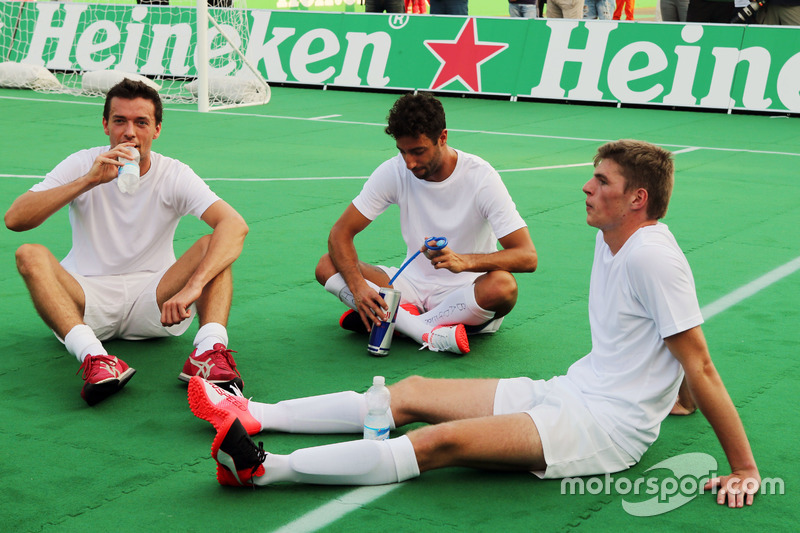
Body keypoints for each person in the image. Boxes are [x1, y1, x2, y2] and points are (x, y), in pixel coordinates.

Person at [188, 139, 760, 508]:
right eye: (592, 176)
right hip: (573, 390)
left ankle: (264, 471)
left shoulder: (651, 255)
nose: (587, 186)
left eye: (602, 181)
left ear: (637, 198)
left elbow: (698, 359)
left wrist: (744, 469)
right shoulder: (614, 240)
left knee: (438, 442)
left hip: (603, 429)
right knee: (409, 393)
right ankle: (251, 412)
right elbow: (666, 338)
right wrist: (671, 399)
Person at [4, 79, 249, 406]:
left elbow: (235, 225)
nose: (129, 131)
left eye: (141, 122)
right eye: (120, 121)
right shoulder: (83, 164)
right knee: (29, 254)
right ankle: (95, 358)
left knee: (212, 245)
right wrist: (88, 180)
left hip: (156, 301)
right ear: (106, 125)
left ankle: (208, 351)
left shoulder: (172, 173)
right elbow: (15, 219)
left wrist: (194, 286)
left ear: (157, 129)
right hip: (85, 298)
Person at [314, 92, 537, 356]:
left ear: (442, 137)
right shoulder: (394, 170)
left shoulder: (481, 177)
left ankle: (397, 322)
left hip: (465, 293)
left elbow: (527, 256)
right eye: (402, 151)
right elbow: (340, 233)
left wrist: (465, 262)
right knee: (327, 264)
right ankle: (424, 330)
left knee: (504, 286)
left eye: (418, 151)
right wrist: (359, 288)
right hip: (409, 285)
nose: (409, 162)